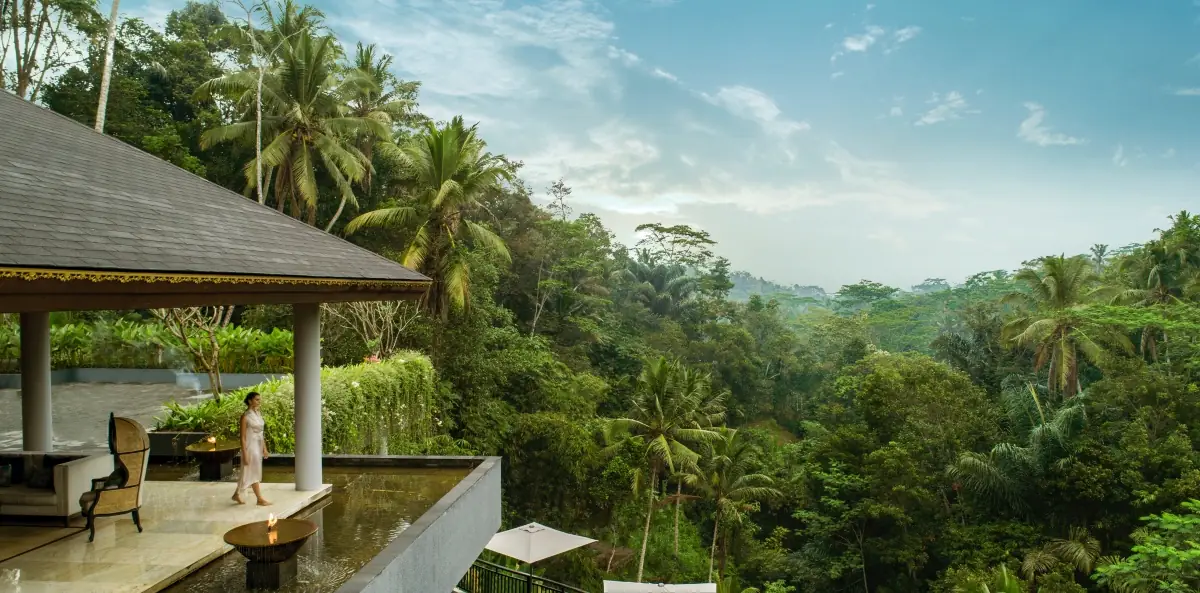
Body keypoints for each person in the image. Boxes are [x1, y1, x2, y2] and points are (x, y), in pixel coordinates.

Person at [232, 391, 271, 506]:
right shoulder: (245, 416)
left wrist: (264, 448)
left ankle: (236, 494)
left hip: (258, 446)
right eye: (257, 399)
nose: (259, 401)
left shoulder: (258, 414)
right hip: (250, 447)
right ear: (250, 401)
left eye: (259, 399)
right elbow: (243, 437)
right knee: (253, 472)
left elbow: (261, 433)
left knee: (247, 472)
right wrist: (245, 453)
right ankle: (259, 499)